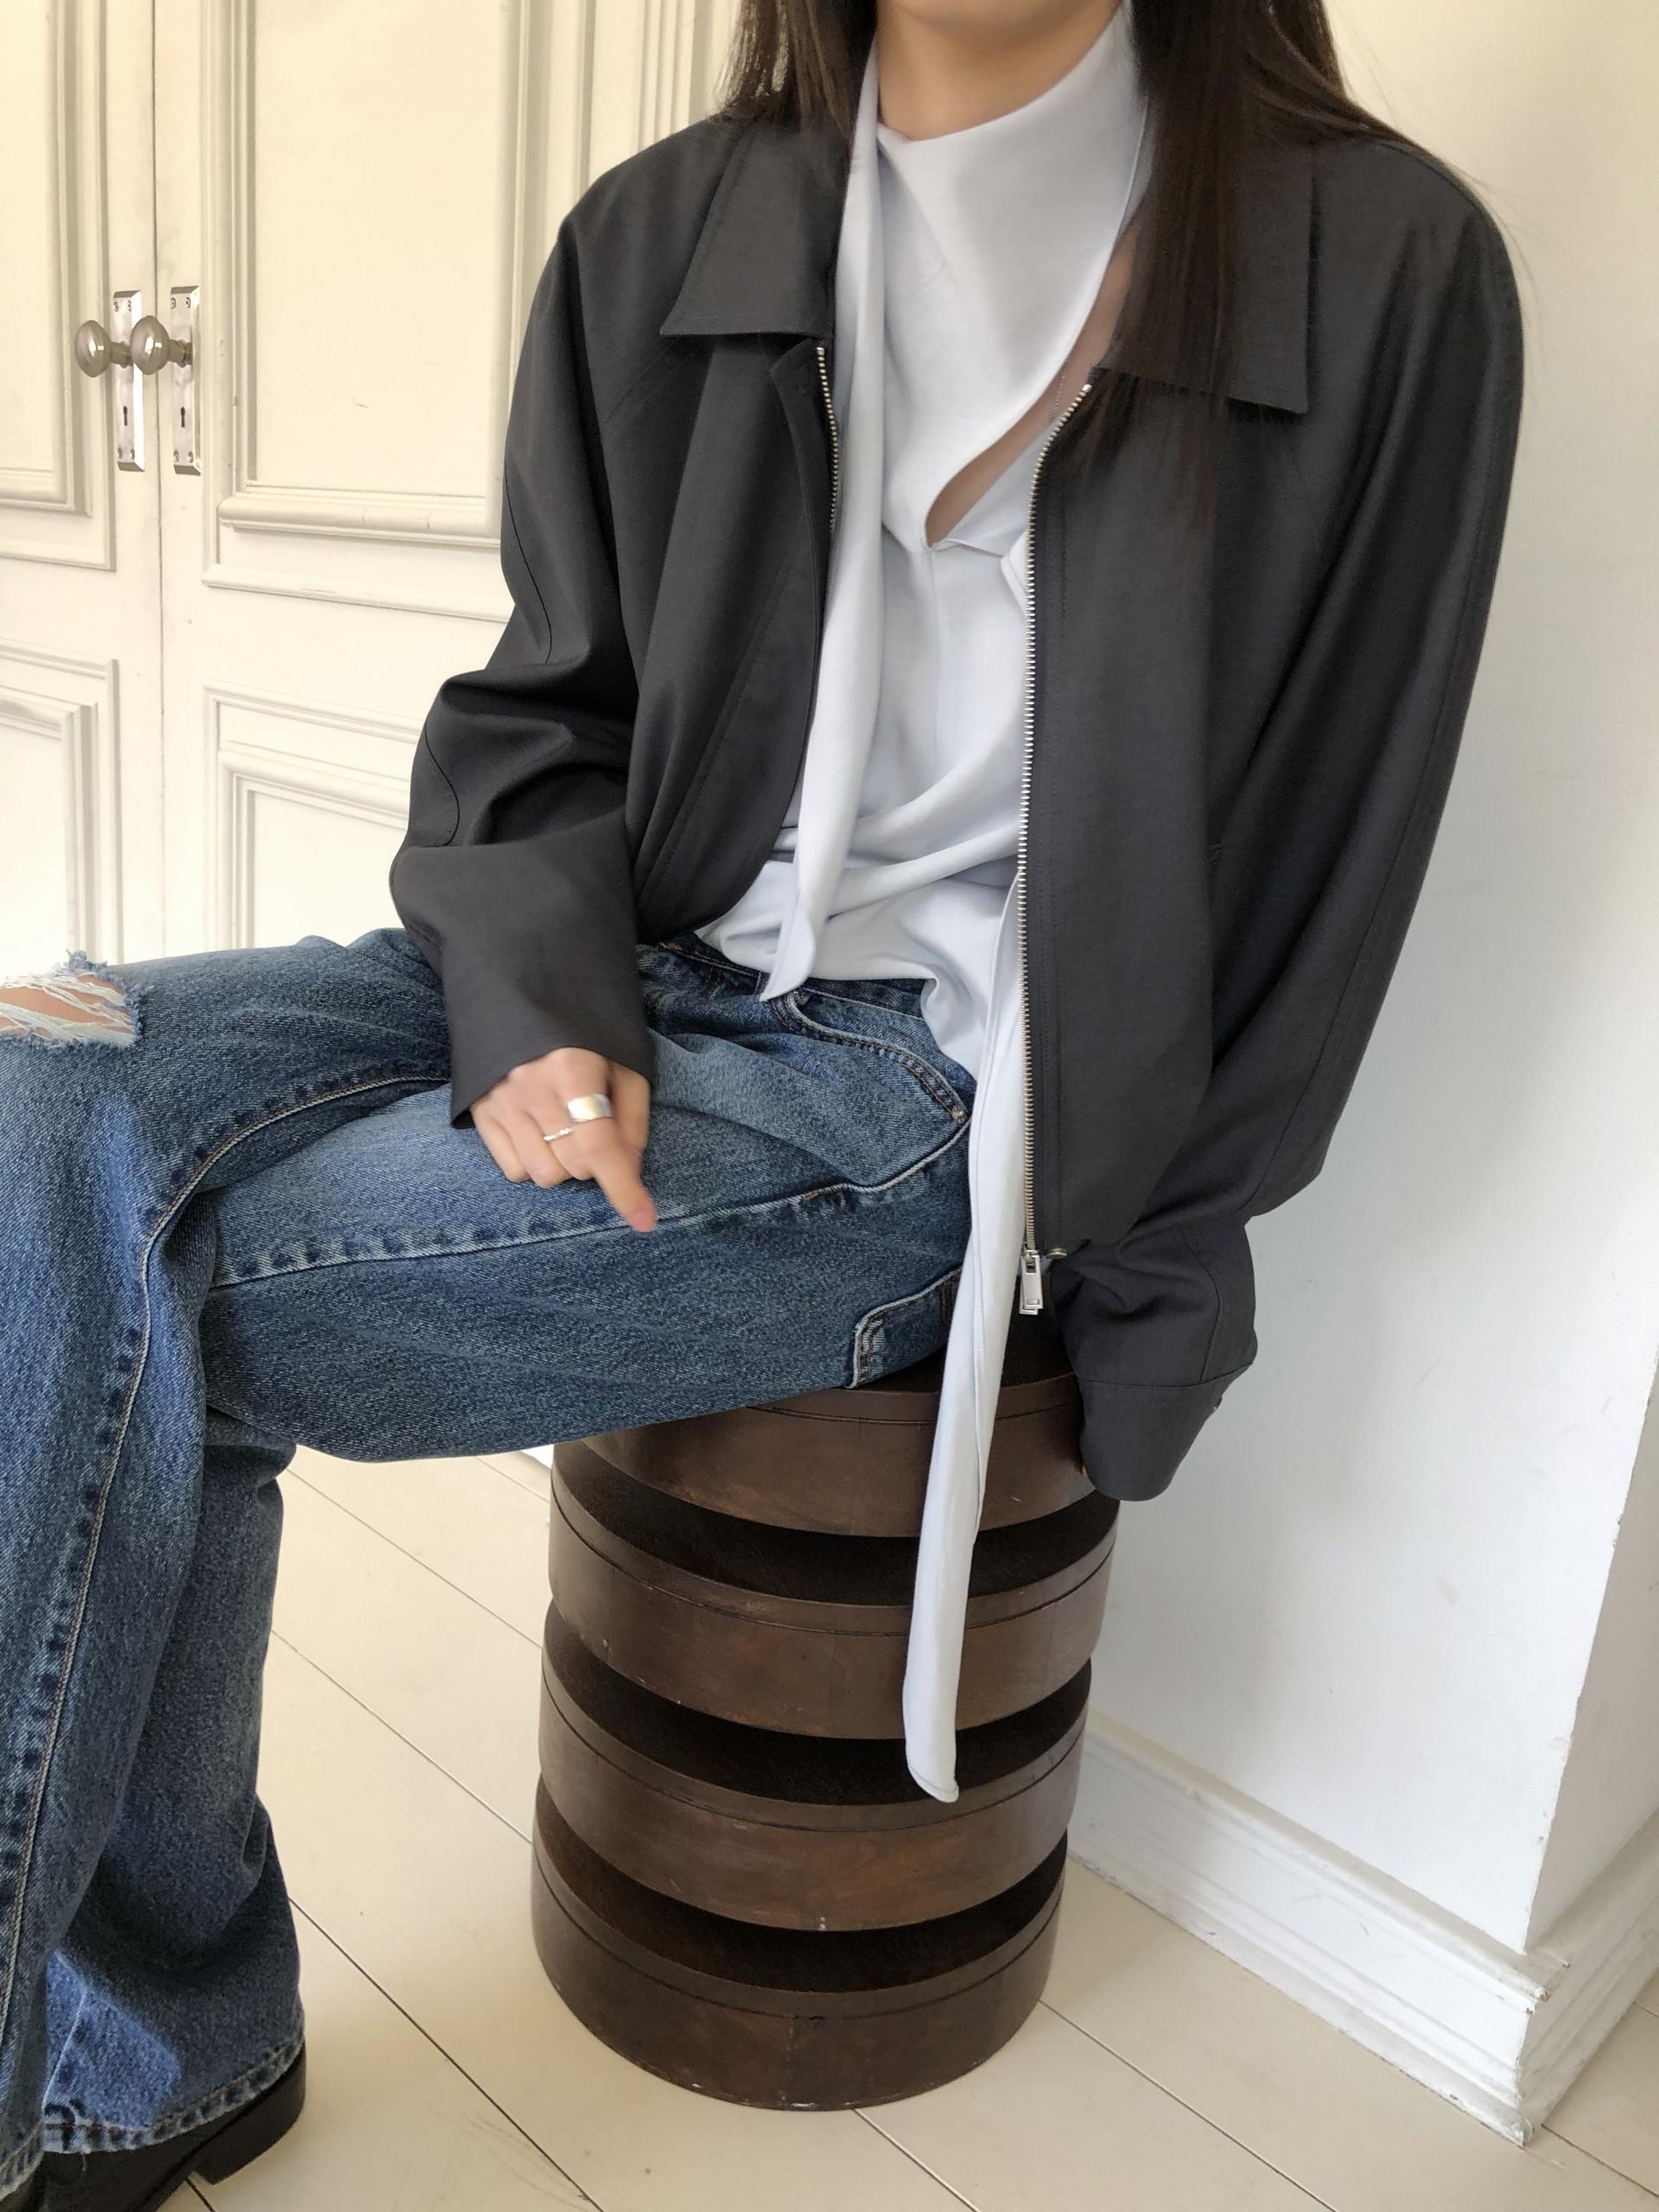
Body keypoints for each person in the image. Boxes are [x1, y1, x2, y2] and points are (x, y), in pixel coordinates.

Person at [0, 0, 1522, 2202]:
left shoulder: (1374, 258)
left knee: (129, 1306)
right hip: (637, 950)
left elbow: (1334, 853)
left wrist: (1146, 1262)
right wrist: (543, 1000)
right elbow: (546, 717)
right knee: (37, 1089)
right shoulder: (665, 233)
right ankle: (145, 2059)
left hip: (928, 1088)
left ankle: (161, 2060)